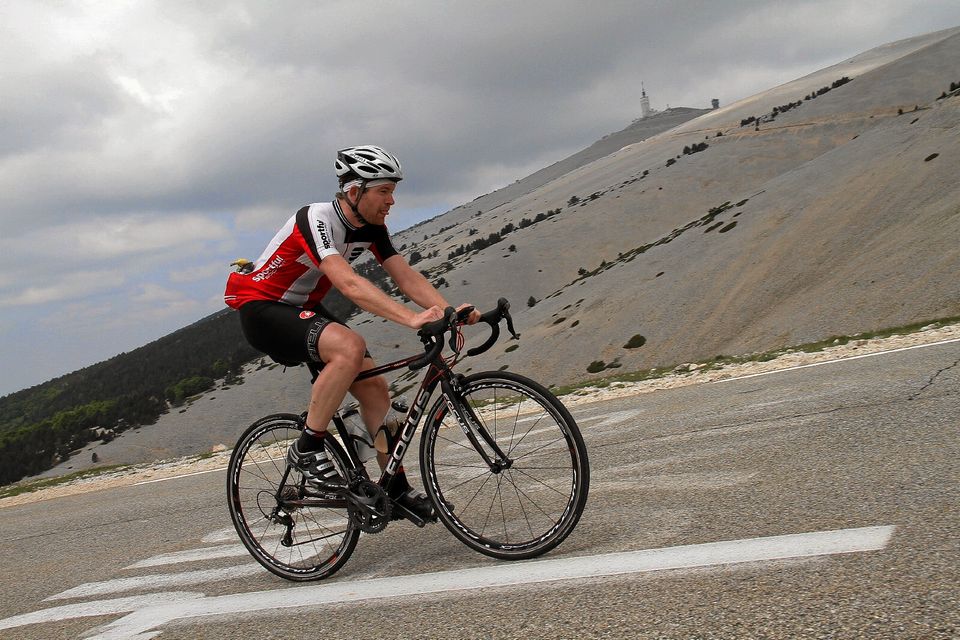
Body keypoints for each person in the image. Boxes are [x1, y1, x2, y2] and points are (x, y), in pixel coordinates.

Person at [224, 145, 479, 521]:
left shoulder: (372, 228)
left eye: (393, 190)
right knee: (349, 346)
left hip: (302, 306)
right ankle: (308, 447)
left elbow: (403, 275)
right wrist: (411, 319)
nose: (391, 200)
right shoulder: (316, 218)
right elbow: (348, 283)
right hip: (264, 308)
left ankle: (395, 489)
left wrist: (447, 310)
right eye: (384, 191)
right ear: (355, 191)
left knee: (376, 390)